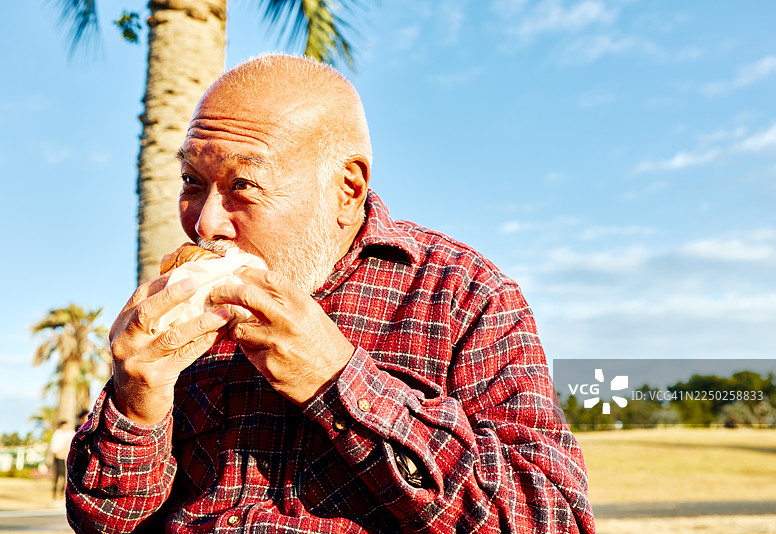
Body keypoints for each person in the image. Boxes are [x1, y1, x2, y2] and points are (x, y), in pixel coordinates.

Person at [66, 54, 595, 533]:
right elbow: (101, 522)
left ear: (347, 189)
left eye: (242, 186)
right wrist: (134, 403)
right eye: (191, 181)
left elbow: (552, 518)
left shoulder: (463, 294)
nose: (204, 224)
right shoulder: (175, 312)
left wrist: (339, 380)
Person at [50, 420, 74, 499]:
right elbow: (55, 449)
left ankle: (62, 493)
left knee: (65, 476)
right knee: (58, 476)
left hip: (67, 457)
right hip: (59, 457)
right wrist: (61, 451)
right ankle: (55, 493)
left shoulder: (71, 433)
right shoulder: (58, 434)